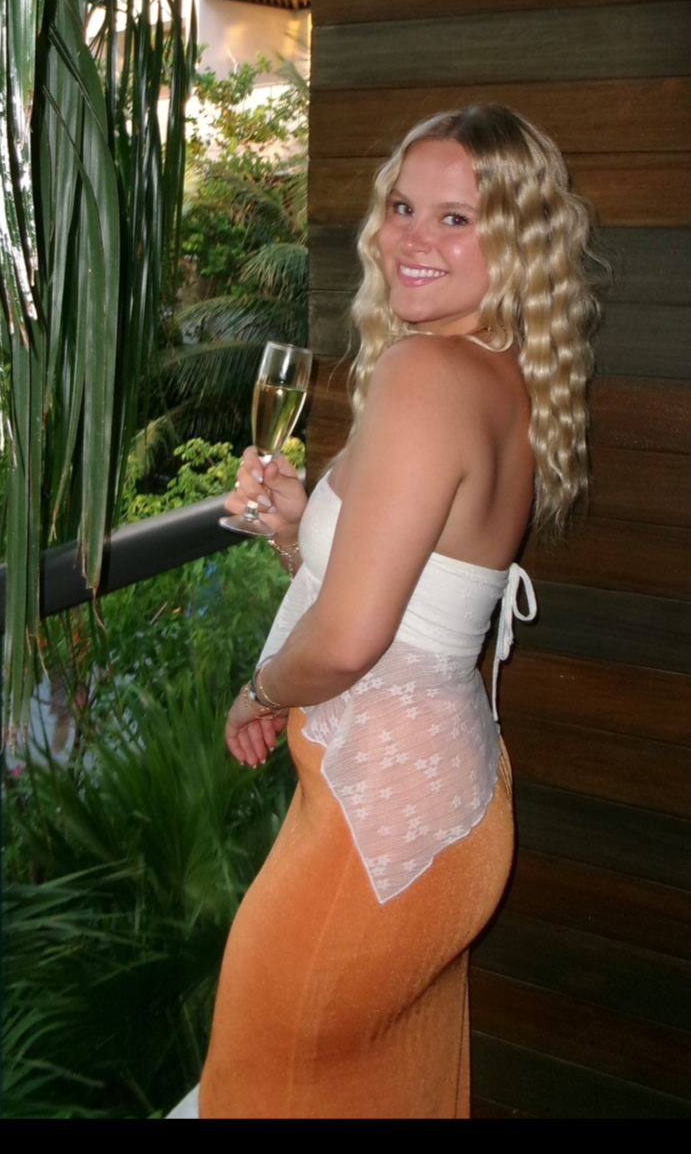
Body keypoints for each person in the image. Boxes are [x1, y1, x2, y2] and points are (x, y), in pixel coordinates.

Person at [191, 104, 598, 1120]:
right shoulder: (506, 375)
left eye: (456, 219)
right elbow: (420, 596)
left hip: (375, 835)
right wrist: (301, 534)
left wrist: (257, 691)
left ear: (518, 240)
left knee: (259, 1090)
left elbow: (355, 637)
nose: (412, 238)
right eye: (404, 206)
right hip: (450, 817)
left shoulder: (423, 374)